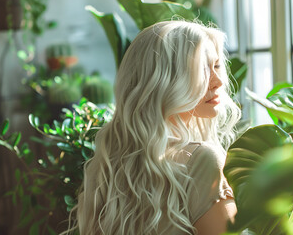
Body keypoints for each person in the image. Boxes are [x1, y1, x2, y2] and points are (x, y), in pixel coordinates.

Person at [65, 20, 241, 235]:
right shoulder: (202, 160)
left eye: (216, 66)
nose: (218, 82)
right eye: (201, 69)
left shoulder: (112, 164)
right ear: (166, 80)